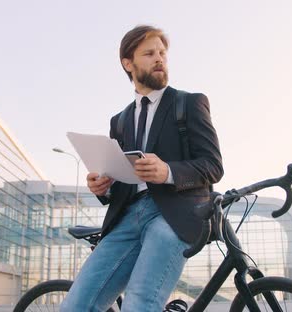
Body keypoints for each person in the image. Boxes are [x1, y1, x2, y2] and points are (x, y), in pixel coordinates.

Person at [60, 25, 223, 312]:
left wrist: (168, 171)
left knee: (139, 305)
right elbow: (122, 178)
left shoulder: (190, 102)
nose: (159, 58)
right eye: (149, 53)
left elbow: (212, 165)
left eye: (162, 53)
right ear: (128, 63)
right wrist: (103, 187)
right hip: (126, 218)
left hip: (172, 215)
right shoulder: (119, 120)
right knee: (74, 306)